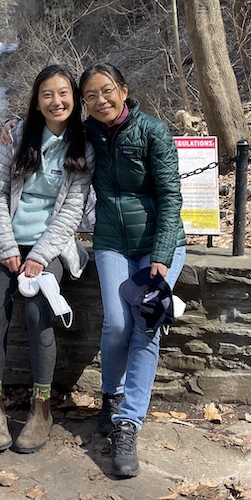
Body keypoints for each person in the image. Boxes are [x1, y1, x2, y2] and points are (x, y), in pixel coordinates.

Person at [0, 64, 94, 453]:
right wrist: (8, 248)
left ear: (74, 99)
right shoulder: (16, 137)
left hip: (52, 246)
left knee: (37, 313)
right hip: (7, 240)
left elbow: (71, 210)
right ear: (37, 101)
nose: (56, 101)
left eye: (64, 93)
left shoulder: (83, 144)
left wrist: (40, 257)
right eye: (47, 94)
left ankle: (41, 409)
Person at [79, 63, 186, 478]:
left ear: (124, 90)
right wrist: (16, 125)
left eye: (107, 91)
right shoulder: (86, 133)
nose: (100, 100)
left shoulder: (152, 132)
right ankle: (112, 393)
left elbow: (170, 196)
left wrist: (160, 255)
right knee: (116, 324)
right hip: (111, 241)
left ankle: (128, 423)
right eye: (91, 95)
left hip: (160, 245)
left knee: (145, 325)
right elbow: (46, 126)